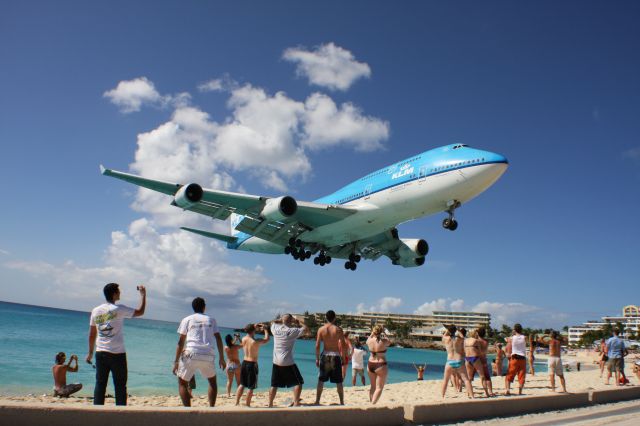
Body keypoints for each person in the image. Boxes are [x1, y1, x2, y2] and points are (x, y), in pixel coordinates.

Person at [86, 283, 146, 406]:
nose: (120, 293)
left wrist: (90, 353)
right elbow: (140, 312)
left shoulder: (96, 310)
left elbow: (92, 334)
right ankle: (121, 414)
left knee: (100, 384)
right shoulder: (119, 309)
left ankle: (97, 412)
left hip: (100, 353)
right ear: (114, 294)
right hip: (117, 354)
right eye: (118, 291)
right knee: (120, 385)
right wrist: (143, 295)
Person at [173, 297, 226, 407]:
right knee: (212, 382)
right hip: (208, 355)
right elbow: (219, 339)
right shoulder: (211, 320)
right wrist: (222, 357)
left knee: (182, 383)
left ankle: (188, 411)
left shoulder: (187, 319)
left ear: (193, 307)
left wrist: (176, 361)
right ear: (204, 307)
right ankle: (211, 408)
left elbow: (181, 342)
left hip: (190, 354)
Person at [268, 314, 308, 407]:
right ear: (291, 321)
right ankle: (296, 403)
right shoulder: (292, 331)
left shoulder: (275, 329)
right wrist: (298, 322)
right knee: (298, 382)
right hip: (287, 361)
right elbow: (306, 329)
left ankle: (270, 404)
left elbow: (272, 322)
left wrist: (281, 320)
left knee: (274, 384)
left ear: (282, 320)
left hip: (276, 361)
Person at [315, 310, 347, 405]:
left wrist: (317, 358)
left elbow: (317, 345)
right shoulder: (338, 329)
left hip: (325, 355)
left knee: (321, 380)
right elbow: (344, 345)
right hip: (336, 356)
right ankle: (341, 402)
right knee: (339, 381)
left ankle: (317, 401)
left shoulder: (321, 329)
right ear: (334, 318)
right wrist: (343, 357)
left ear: (326, 317)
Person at [235, 323, 270, 407]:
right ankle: (247, 405)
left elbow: (250, 331)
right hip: (252, 364)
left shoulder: (243, 339)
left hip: (244, 362)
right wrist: (265, 329)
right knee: (251, 386)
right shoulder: (255, 341)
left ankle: (236, 403)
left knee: (242, 384)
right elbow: (267, 339)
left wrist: (254, 326)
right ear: (253, 330)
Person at [441, 325, 473, 399]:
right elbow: (463, 337)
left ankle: (442, 396)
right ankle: (472, 396)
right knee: (466, 380)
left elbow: (445, 334)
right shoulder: (459, 339)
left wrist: (448, 330)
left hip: (449, 361)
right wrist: (458, 330)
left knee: (445, 380)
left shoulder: (445, 338)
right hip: (459, 360)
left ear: (448, 331)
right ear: (455, 331)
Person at [366, 324, 391, 404]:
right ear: (381, 332)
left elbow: (368, 339)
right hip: (381, 364)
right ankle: (372, 405)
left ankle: (371, 403)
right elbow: (389, 342)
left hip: (370, 364)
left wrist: (372, 333)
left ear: (374, 331)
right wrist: (384, 332)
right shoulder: (383, 341)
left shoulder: (369, 340)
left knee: (373, 386)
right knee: (379, 388)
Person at [464, 329, 490, 397]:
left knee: (469, 378)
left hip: (467, 358)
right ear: (475, 334)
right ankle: (487, 393)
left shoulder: (465, 340)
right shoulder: (476, 341)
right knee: (482, 377)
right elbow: (480, 351)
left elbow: (464, 350)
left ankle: (469, 393)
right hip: (475, 358)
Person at [504, 323, 527, 396]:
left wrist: (512, 333)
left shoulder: (511, 338)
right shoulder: (524, 337)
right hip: (522, 358)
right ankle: (520, 391)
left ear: (514, 330)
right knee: (521, 375)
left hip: (514, 358)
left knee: (509, 374)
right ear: (521, 329)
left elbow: (505, 339)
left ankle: (508, 390)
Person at [476, 327, 495, 396]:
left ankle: (467, 390)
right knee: (487, 376)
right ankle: (490, 391)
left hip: (477, 360)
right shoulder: (486, 341)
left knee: (477, 377)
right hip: (484, 359)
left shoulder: (477, 341)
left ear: (478, 333)